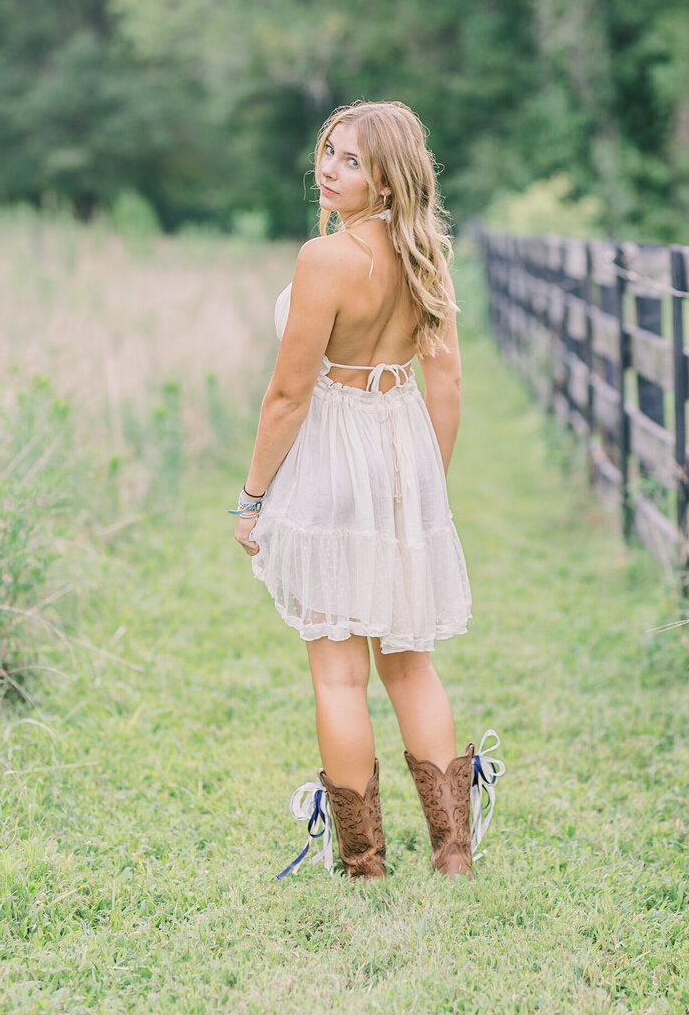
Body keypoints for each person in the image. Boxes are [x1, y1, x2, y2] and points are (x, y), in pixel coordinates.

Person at [231, 100, 502, 880]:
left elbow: (288, 397)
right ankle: (454, 854)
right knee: (409, 662)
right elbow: (444, 381)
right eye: (327, 151)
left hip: (335, 452)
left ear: (386, 180)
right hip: (401, 447)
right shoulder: (428, 256)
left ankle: (365, 862)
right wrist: (425, 486)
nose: (328, 168)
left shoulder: (325, 260)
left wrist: (253, 499)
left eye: (350, 160)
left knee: (339, 671)